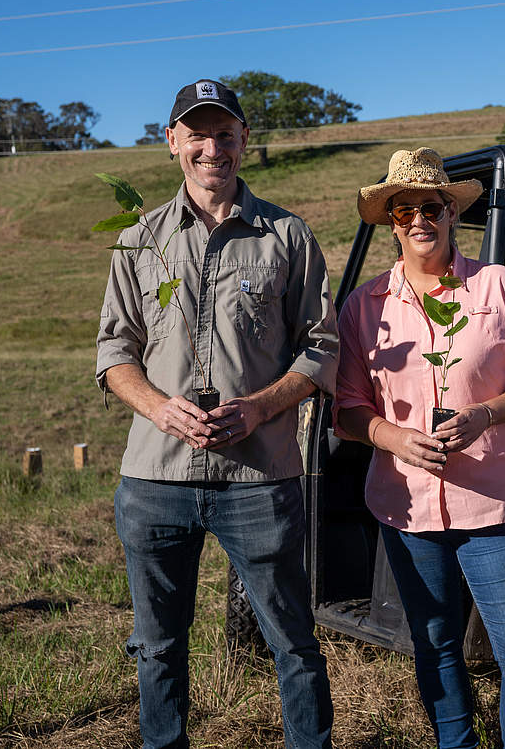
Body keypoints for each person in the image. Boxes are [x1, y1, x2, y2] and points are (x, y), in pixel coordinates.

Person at [96, 78, 338, 749]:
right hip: (155, 480)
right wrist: (157, 408)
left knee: (292, 644)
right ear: (172, 141)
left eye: (223, 135)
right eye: (195, 134)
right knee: (157, 647)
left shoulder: (287, 235)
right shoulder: (138, 241)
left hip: (257, 482)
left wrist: (259, 408)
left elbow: (321, 350)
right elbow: (115, 349)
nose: (211, 149)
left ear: (244, 143)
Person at [334, 148, 505, 749]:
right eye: (402, 211)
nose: (417, 221)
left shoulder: (498, 284)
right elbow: (348, 408)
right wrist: (395, 437)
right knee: (434, 644)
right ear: (390, 223)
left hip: (490, 503)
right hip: (405, 508)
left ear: (452, 214)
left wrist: (485, 413)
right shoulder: (363, 307)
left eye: (430, 207)